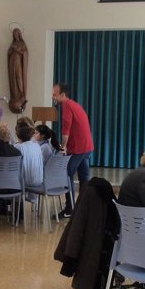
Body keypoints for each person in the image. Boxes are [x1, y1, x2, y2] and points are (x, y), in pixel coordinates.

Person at [52, 83, 94, 218]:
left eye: (55, 94)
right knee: (84, 178)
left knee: (66, 173)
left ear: (63, 95)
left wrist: (63, 147)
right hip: (86, 146)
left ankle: (70, 208)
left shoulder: (66, 106)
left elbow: (66, 129)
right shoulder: (75, 105)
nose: (53, 97)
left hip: (78, 147)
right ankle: (84, 208)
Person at [14, 125, 44, 210]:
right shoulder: (37, 146)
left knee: (12, 177)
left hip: (25, 182)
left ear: (18, 137)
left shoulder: (19, 147)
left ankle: (15, 211)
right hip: (38, 180)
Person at [7, 27, 28, 114]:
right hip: (12, 63)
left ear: (19, 34)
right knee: (13, 79)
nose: (15, 35)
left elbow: (25, 53)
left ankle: (20, 94)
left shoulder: (22, 44)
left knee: (19, 78)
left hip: (19, 63)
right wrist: (11, 50)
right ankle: (15, 95)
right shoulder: (13, 44)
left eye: (16, 33)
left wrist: (18, 51)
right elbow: (8, 53)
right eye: (14, 34)